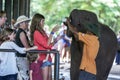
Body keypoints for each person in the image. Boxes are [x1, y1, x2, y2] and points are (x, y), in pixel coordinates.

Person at [30, 13, 59, 80]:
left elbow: (48, 44)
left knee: (50, 78)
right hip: (42, 58)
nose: (44, 23)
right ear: (38, 21)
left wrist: (54, 41)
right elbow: (47, 45)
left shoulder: (42, 31)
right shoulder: (36, 32)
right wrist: (52, 32)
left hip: (47, 57)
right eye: (43, 21)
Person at [14, 15, 31, 80]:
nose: (27, 24)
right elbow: (26, 46)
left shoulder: (20, 32)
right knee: (24, 76)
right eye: (25, 22)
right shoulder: (21, 33)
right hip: (22, 57)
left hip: (21, 57)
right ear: (21, 23)